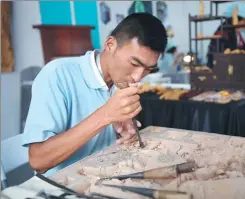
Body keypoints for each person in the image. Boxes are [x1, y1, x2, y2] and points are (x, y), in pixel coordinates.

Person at [22, 13, 168, 176]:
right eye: (134, 63)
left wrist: (124, 134)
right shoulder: (56, 74)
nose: (137, 77)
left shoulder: (119, 81)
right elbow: (38, 161)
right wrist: (106, 115)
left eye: (148, 69)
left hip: (106, 176)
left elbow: (110, 140)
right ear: (110, 44)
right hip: (62, 186)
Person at [207, 2, 245, 68]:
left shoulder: (237, 33)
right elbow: (219, 51)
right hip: (221, 67)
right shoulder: (223, 31)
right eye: (244, 21)